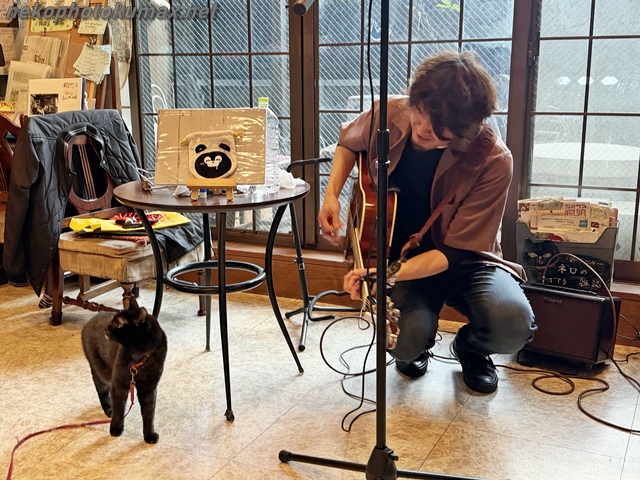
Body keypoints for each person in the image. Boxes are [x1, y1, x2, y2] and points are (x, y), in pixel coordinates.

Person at [318, 50, 537, 394]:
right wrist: (331, 195)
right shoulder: (391, 112)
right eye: (419, 116)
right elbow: (349, 141)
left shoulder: (494, 160)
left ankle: (471, 348)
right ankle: (417, 343)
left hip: (467, 260)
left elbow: (453, 252)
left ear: (466, 129)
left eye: (438, 131)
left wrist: (384, 276)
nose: (421, 130)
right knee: (403, 343)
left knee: (513, 325)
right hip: (402, 258)